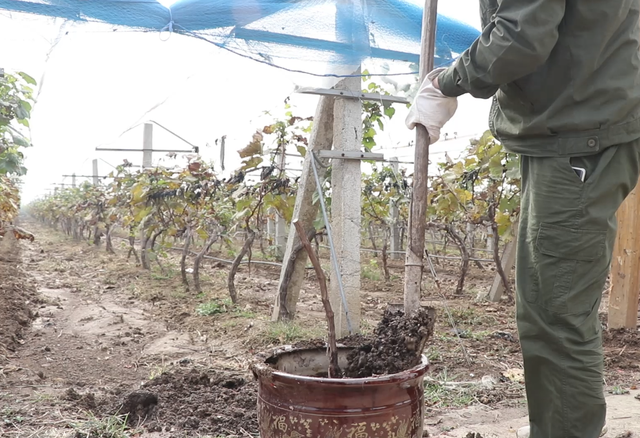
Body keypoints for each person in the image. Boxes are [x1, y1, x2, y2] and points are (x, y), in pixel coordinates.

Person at [405, 0, 640, 437]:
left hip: (578, 137)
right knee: (550, 309)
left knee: (558, 312)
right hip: (574, 129)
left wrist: (448, 81)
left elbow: (521, 35)